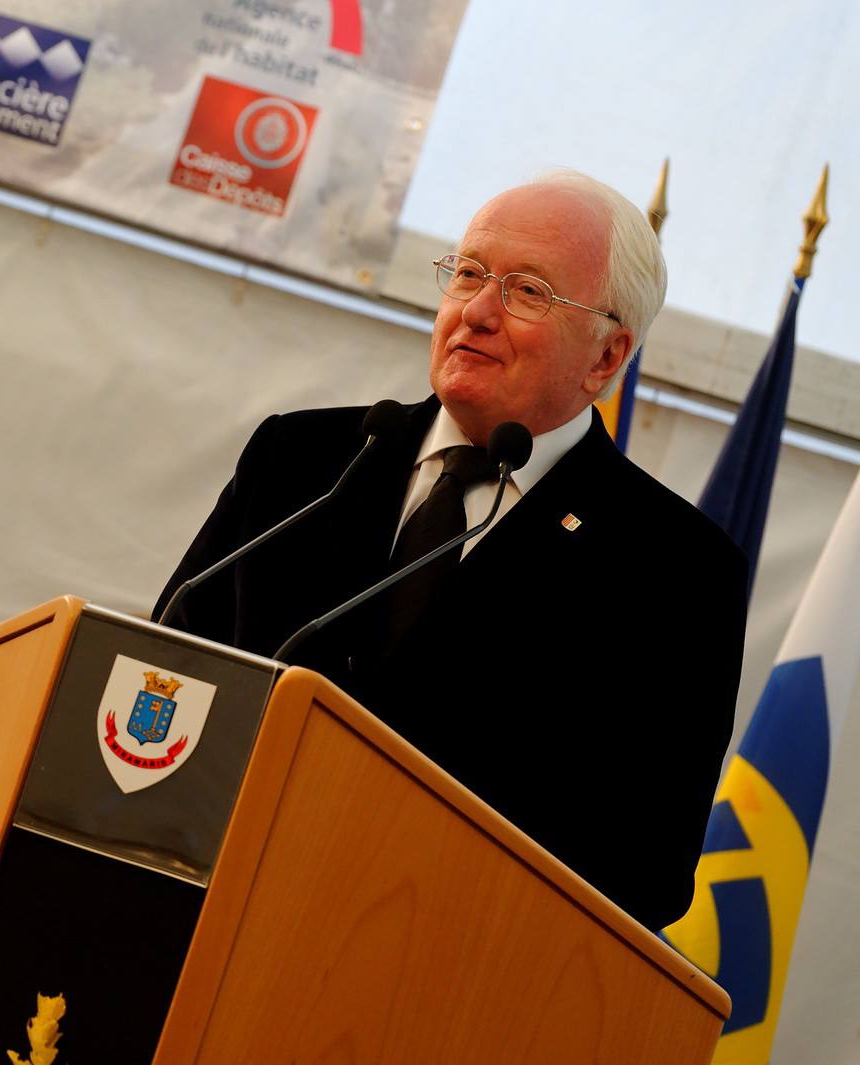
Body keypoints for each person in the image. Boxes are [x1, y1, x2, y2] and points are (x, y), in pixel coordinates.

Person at [155, 171, 747, 931]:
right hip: (198, 905)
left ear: (606, 357)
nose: (475, 310)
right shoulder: (301, 459)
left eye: (527, 291)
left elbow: (645, 869)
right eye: (467, 273)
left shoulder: (677, 571)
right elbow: (166, 668)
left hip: (432, 966)